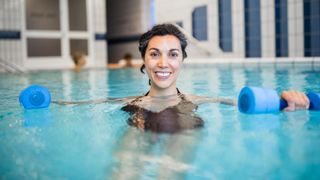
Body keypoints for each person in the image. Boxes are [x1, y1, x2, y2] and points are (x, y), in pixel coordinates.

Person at [56, 24, 310, 133]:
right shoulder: (130, 102)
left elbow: (245, 104)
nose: (164, 63)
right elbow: (78, 105)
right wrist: (50, 103)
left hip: (183, 132)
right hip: (139, 127)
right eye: (154, 54)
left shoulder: (197, 100)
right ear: (144, 60)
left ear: (182, 60)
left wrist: (292, 102)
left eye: (172, 54)